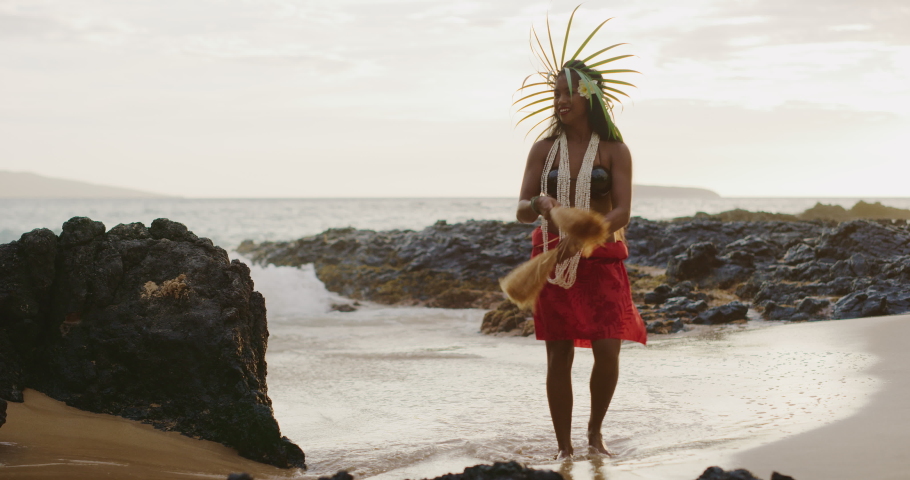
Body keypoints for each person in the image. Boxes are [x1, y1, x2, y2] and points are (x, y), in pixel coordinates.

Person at [513, 13, 648, 460]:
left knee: (608, 349)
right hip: (552, 258)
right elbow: (520, 208)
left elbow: (624, 208)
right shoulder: (542, 149)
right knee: (559, 358)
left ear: (590, 97)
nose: (561, 101)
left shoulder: (615, 150)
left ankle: (594, 434)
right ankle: (564, 447)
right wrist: (545, 206)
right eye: (557, 93)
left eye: (569, 93)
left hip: (602, 257)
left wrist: (588, 233)